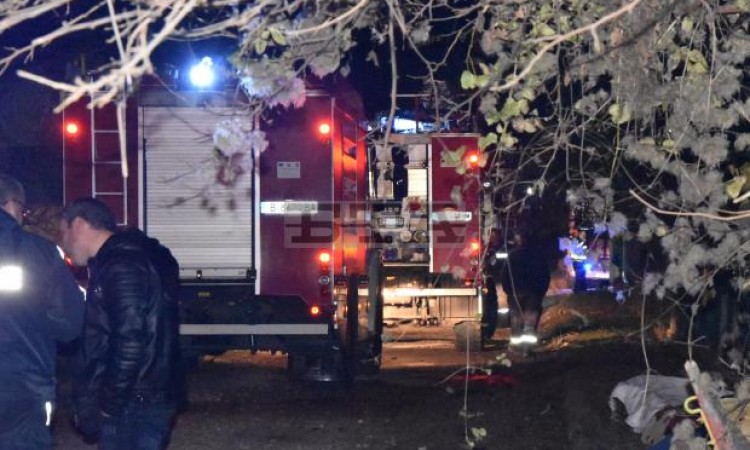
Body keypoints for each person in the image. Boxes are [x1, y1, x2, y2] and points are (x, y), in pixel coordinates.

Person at [58, 198, 182, 450]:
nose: (64, 244)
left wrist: (109, 405)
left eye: (63, 233)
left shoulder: (120, 264)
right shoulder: (122, 259)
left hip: (133, 403)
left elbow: (129, 339)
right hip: (140, 397)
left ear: (79, 224)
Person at [0, 173, 85, 450]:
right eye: (23, 210)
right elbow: (69, 325)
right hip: (22, 387)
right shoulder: (39, 252)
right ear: (11, 204)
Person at [500, 231, 550, 349]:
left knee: (516, 316)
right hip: (533, 292)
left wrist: (508, 290)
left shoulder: (512, 255)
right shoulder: (538, 255)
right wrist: (541, 291)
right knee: (530, 317)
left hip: (516, 292)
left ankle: (515, 345)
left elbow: (504, 275)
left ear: (519, 241)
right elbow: (545, 275)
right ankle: (528, 347)